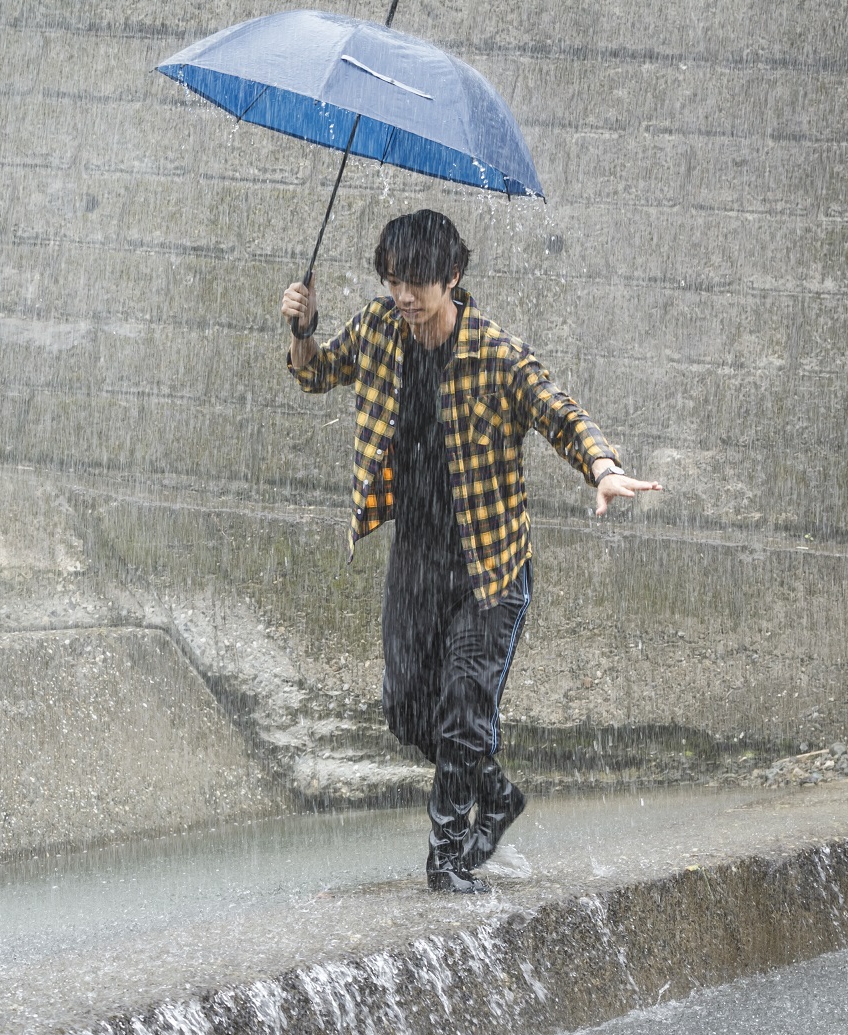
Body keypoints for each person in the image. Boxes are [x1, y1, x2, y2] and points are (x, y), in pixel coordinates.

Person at [280, 210, 661, 893]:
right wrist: (302, 330)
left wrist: (602, 469)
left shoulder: (496, 354)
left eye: (417, 282)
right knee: (405, 712)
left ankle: (447, 861)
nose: (403, 296)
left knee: (462, 711)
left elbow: (559, 413)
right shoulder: (377, 328)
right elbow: (315, 375)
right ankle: (498, 796)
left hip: (490, 569)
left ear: (452, 279)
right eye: (393, 280)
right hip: (417, 558)